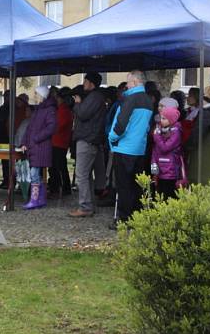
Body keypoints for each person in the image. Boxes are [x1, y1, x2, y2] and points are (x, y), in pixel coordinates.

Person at [108, 70, 154, 227]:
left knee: (124, 185)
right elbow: (147, 126)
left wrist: (112, 138)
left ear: (135, 82)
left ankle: (123, 219)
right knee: (136, 185)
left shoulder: (130, 99)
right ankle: (136, 217)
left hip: (125, 148)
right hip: (140, 148)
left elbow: (121, 123)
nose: (126, 86)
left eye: (128, 82)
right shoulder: (148, 100)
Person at [69, 72, 107, 218]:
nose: (83, 83)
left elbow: (83, 114)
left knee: (81, 174)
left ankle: (85, 207)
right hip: (90, 139)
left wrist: (78, 103)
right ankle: (89, 204)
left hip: (87, 139)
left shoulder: (95, 97)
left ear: (92, 83)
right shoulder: (96, 97)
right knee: (87, 175)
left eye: (85, 81)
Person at [22, 86, 57, 210]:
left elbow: (51, 127)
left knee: (34, 173)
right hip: (34, 146)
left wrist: (36, 138)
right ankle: (40, 199)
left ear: (42, 96)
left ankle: (35, 199)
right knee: (36, 173)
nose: (34, 96)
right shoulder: (38, 109)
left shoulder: (49, 110)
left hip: (40, 146)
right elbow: (29, 128)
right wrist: (25, 142)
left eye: (36, 94)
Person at [151, 107, 184, 201]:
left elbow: (165, 148)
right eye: (161, 118)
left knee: (168, 196)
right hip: (159, 168)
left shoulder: (176, 132)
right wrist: (154, 171)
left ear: (171, 119)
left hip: (170, 172)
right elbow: (155, 152)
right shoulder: (160, 130)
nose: (161, 120)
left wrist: (157, 137)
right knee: (159, 194)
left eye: (164, 118)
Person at [48, 87, 73, 198]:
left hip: (59, 142)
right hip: (58, 142)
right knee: (59, 166)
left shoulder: (64, 111)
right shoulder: (62, 110)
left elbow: (58, 126)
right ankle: (63, 188)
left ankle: (58, 188)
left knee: (57, 167)